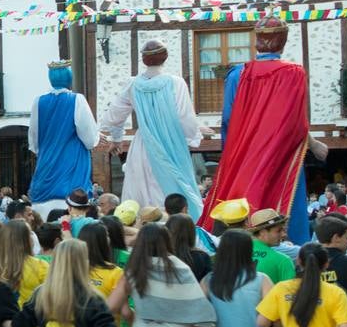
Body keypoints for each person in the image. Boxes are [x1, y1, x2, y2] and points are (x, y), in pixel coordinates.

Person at [200, 14, 319, 246]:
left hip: (242, 153)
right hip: (281, 154)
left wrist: (231, 152)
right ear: (283, 41)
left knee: (236, 203)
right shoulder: (294, 73)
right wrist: (312, 144)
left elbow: (227, 120)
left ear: (257, 41)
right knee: (287, 202)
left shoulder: (237, 74)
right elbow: (297, 122)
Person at [99, 39, 204, 215]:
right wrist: (194, 136)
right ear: (165, 57)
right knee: (171, 190)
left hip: (143, 144)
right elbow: (185, 117)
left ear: (143, 59)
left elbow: (114, 116)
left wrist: (117, 139)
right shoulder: (175, 83)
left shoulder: (133, 84)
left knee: (141, 191)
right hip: (170, 143)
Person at [27, 60, 100, 215]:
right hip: (72, 172)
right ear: (69, 79)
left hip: (45, 172)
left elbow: (33, 141)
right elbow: (90, 139)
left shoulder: (38, 101)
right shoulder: (76, 99)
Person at [249, 209, 296, 284]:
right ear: (262, 232)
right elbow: (288, 293)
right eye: (278, 231)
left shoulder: (236, 254)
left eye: (283, 230)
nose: (284, 234)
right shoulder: (283, 261)